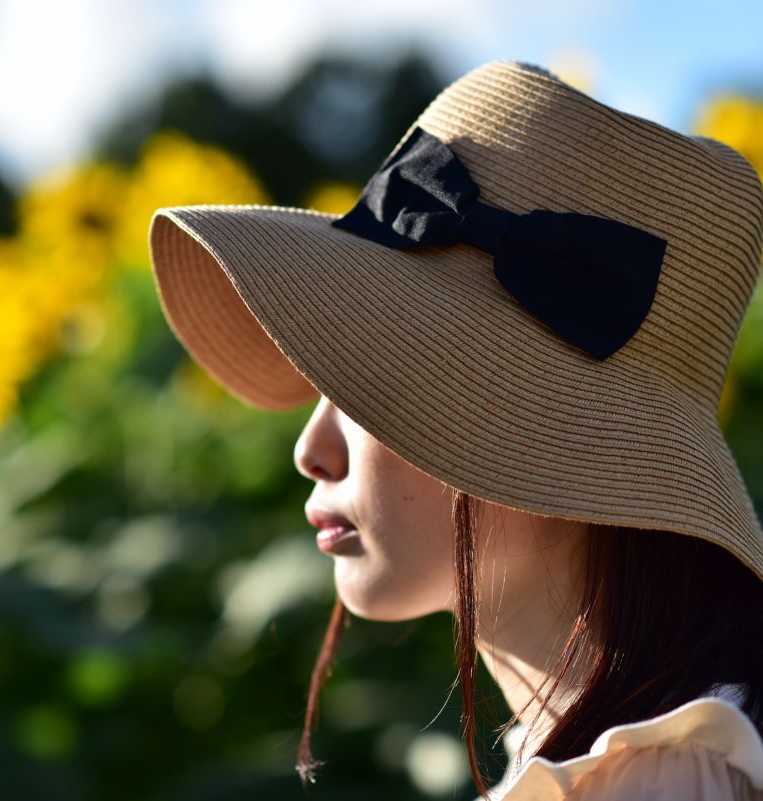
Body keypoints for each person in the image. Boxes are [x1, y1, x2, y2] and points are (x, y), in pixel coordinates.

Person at [146, 59, 763, 800]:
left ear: (548, 436)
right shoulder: (627, 767)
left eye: (374, 382)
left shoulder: (661, 780)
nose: (311, 450)